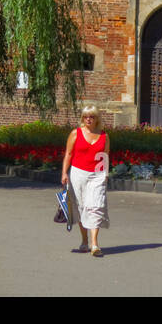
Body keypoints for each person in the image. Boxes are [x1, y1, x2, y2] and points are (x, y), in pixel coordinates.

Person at [61, 104, 110, 256]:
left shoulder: (104, 136)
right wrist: (64, 173)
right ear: (82, 119)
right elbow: (68, 154)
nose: (88, 119)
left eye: (92, 117)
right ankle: (84, 240)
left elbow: (105, 156)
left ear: (97, 119)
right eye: (86, 117)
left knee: (96, 206)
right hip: (78, 173)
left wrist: (106, 174)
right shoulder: (75, 134)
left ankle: (95, 244)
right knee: (81, 206)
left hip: (97, 175)